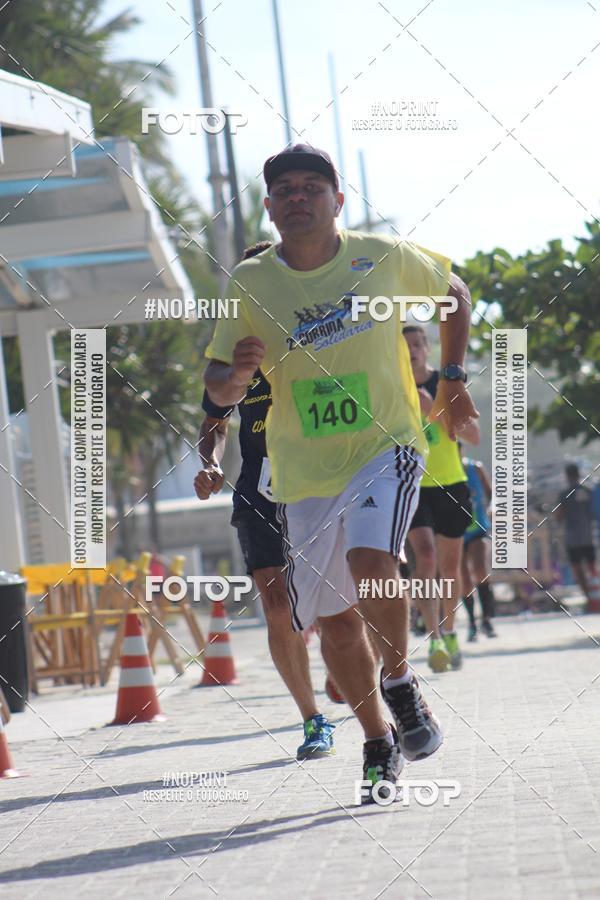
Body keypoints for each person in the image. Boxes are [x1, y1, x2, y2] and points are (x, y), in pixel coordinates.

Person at [203, 143, 478, 802]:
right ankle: (379, 740)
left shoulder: (379, 258)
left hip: (386, 445)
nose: (298, 198)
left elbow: (456, 293)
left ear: (337, 201)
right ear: (269, 207)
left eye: (312, 188)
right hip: (302, 472)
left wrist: (455, 379)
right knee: (337, 624)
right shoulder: (250, 283)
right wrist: (235, 378)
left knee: (372, 561)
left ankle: (402, 683)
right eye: (285, 191)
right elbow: (215, 383)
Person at [195, 240, 337, 761]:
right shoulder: (236, 351)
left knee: (336, 604)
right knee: (277, 607)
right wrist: (210, 462)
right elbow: (213, 422)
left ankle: (349, 666)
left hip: (322, 483)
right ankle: (313, 719)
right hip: (259, 490)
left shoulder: (320, 336)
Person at [404, 325, 480, 672]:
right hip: (412, 485)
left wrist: (433, 409)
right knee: (426, 558)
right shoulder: (393, 388)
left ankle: (450, 631)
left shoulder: (446, 384)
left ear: (427, 349)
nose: (413, 351)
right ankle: (433, 637)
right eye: (405, 346)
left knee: (450, 566)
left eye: (418, 344)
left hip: (451, 483)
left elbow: (474, 435)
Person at [461, 456, 497, 641]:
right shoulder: (440, 472)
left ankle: (487, 619)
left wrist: (491, 509)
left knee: (481, 570)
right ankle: (472, 623)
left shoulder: (475, 467)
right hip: (456, 531)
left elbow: (491, 495)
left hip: (478, 527)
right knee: (464, 579)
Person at [557, 463, 598, 608]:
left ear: (567, 475)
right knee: (592, 568)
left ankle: (588, 596)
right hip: (588, 536)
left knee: (577, 569)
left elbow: (559, 515)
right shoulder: (588, 490)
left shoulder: (564, 494)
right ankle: (596, 596)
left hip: (572, 538)